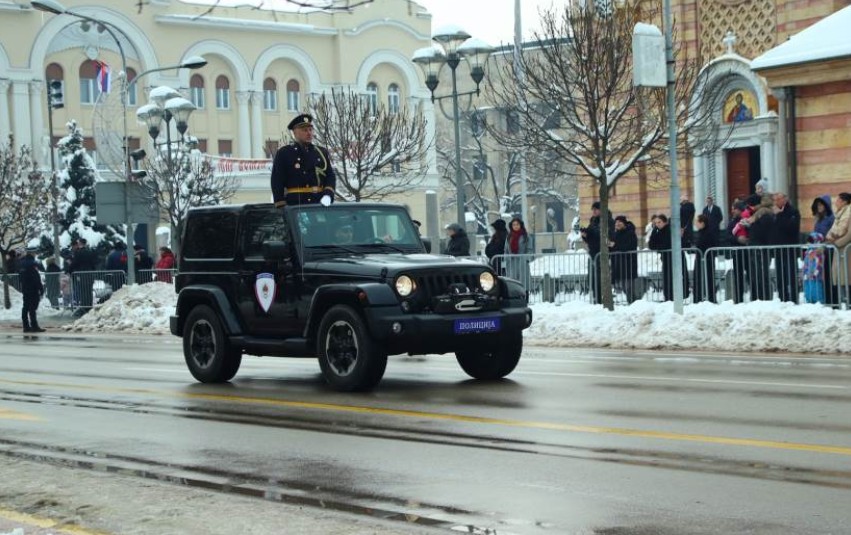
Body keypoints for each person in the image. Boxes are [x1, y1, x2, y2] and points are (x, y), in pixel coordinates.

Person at [270, 113, 336, 208]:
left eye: (310, 130)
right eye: (304, 130)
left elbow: (330, 175)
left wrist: (328, 194)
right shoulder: (285, 153)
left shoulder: (321, 152)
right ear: (295, 133)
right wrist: (281, 204)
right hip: (296, 203)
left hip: (318, 201)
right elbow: (277, 180)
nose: (309, 133)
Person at [770, 192, 801, 303]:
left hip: (790, 249)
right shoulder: (773, 213)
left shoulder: (793, 211)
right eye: (775, 199)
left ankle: (793, 299)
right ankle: (782, 299)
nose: (776, 201)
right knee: (780, 277)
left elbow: (791, 227)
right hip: (778, 250)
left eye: (779, 199)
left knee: (791, 276)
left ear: (785, 199)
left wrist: (780, 215)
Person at [580, 201, 612, 304]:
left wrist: (592, 234)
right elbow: (590, 239)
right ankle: (596, 298)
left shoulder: (608, 220)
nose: (593, 211)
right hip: (593, 253)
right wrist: (585, 235)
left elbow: (605, 236)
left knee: (600, 278)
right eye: (592, 209)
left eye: (596, 209)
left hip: (602, 254)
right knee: (593, 278)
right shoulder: (593, 221)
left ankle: (602, 299)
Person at [825, 192, 851, 305]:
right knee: (841, 278)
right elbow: (832, 231)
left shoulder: (849, 213)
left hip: (847, 249)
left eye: (838, 200)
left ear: (845, 202)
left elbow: (849, 233)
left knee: (847, 278)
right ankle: (843, 303)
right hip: (839, 250)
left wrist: (837, 243)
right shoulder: (839, 214)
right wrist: (830, 239)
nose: (836, 202)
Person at [608, 215, 639, 303]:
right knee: (622, 286)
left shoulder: (630, 233)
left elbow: (630, 246)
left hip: (628, 264)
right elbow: (613, 248)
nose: (617, 224)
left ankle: (634, 304)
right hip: (617, 265)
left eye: (619, 222)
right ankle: (633, 303)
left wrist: (615, 245)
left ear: (624, 223)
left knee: (628, 288)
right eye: (616, 222)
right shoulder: (615, 234)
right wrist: (609, 246)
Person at [648, 214, 675, 301]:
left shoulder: (669, 230)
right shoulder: (658, 231)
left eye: (659, 222)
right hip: (665, 258)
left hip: (672, 258)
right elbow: (651, 245)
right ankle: (667, 297)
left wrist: (659, 247)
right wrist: (654, 230)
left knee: (671, 278)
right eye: (656, 223)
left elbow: (667, 244)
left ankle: (672, 297)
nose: (657, 224)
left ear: (665, 222)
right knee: (666, 277)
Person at [693, 214, 718, 303]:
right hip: (701, 258)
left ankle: (709, 298)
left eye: (697, 221)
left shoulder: (708, 232)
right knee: (700, 278)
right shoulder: (701, 232)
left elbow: (703, 244)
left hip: (707, 259)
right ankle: (699, 298)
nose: (695, 223)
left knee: (708, 278)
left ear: (702, 223)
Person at [18, 247, 44, 333]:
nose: (35, 254)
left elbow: (20, 277)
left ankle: (26, 326)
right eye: (35, 252)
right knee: (32, 307)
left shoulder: (21, 263)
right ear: (32, 253)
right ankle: (34, 326)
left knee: (25, 307)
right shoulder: (33, 263)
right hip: (33, 288)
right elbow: (36, 277)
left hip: (25, 288)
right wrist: (40, 288)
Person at [504, 217, 531, 289]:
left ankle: (525, 297)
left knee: (523, 283)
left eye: (517, 224)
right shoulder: (509, 237)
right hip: (512, 263)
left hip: (522, 263)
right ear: (511, 226)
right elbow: (506, 250)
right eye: (514, 225)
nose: (516, 226)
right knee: (513, 283)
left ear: (521, 225)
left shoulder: (526, 236)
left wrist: (525, 259)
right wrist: (506, 259)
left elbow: (529, 249)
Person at [802, 232, 827, 304]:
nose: (808, 242)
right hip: (807, 276)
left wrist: (814, 274)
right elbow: (805, 263)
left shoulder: (819, 253)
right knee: (808, 291)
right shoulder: (807, 252)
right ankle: (809, 301)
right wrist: (804, 273)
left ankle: (819, 303)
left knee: (817, 291)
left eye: (811, 241)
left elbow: (819, 265)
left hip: (816, 277)